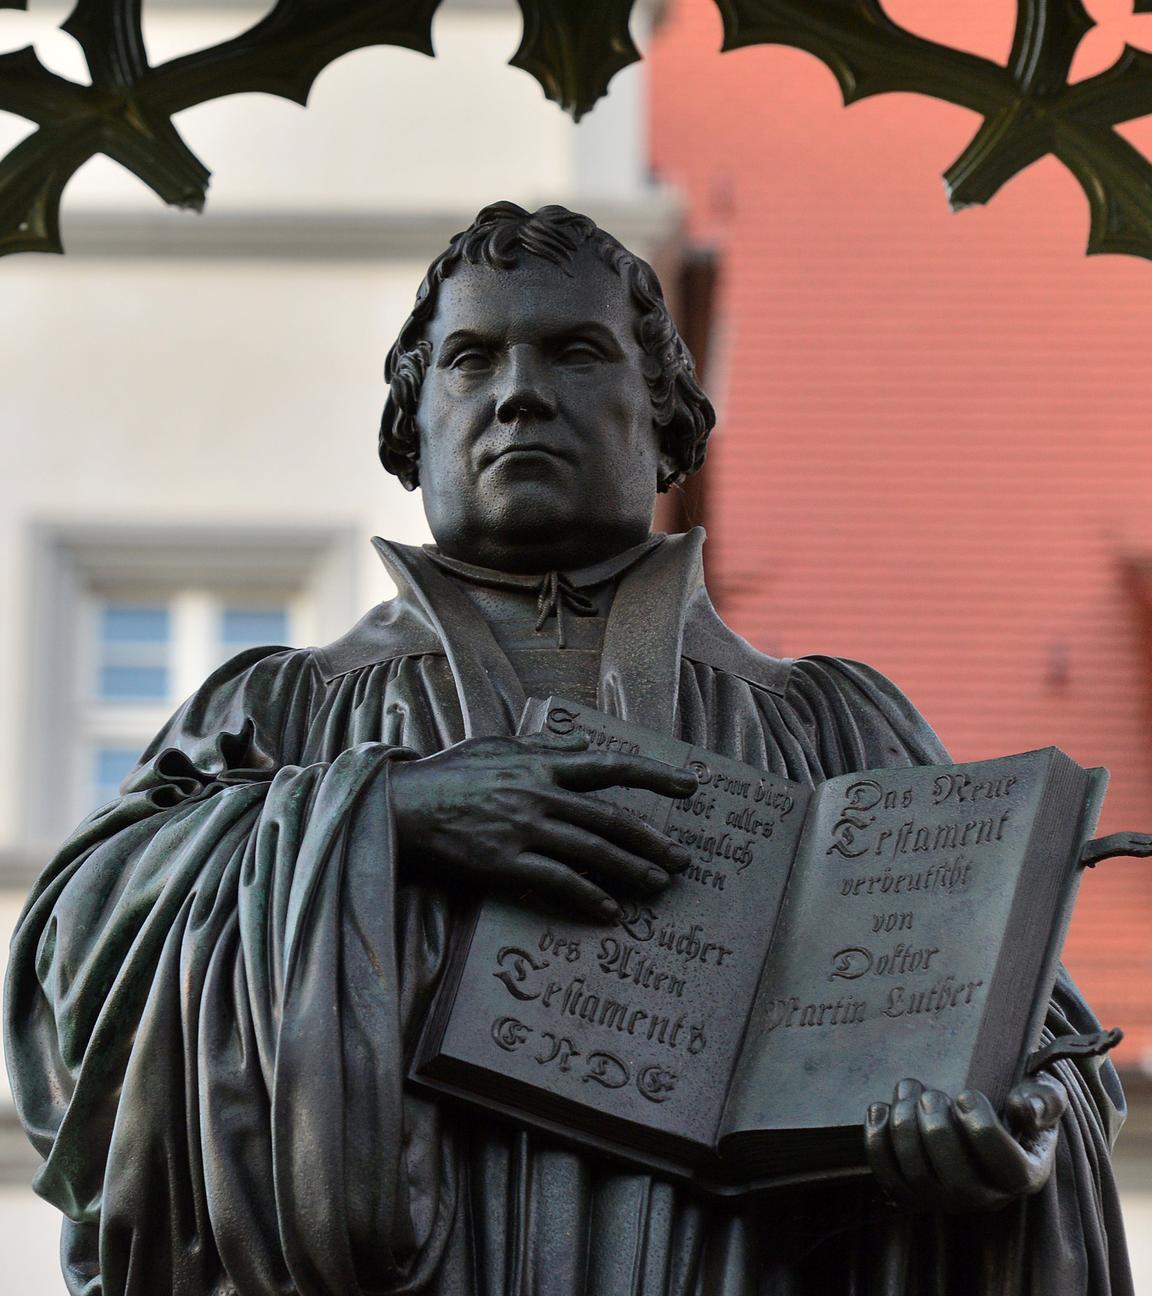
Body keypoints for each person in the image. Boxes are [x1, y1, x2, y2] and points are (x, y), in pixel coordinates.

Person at [4, 203, 1131, 1295]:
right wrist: (383, 815)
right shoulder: (279, 715)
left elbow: (1042, 1056)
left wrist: (1008, 1140)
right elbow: (73, 984)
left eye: (576, 352)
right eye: (471, 360)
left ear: (666, 416)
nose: (520, 393)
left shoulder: (832, 731)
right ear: (412, 427)